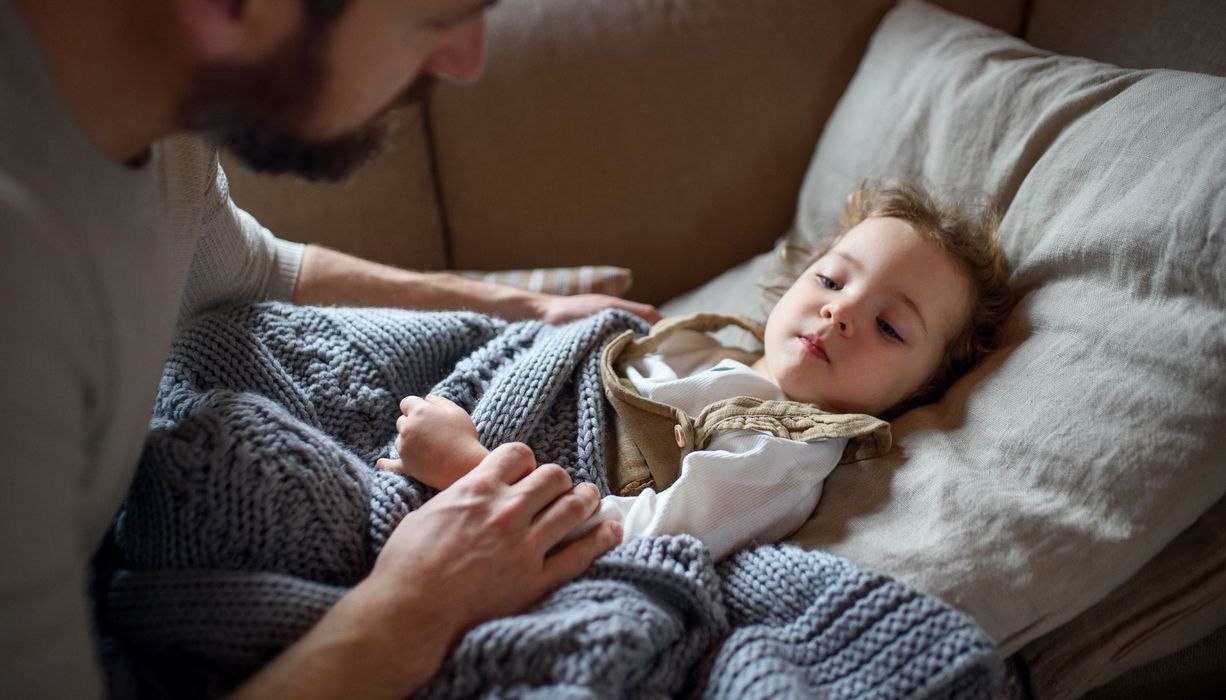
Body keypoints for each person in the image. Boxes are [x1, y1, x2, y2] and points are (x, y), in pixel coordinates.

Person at [0, 0, 662, 697]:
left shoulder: (160, 117)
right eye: (438, 18)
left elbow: (259, 272)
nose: (466, 62)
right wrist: (417, 605)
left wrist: (527, 306)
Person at [378, 179, 1014, 561]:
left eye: (889, 326)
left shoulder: (784, 451)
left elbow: (644, 540)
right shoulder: (708, 345)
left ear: (920, 391)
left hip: (487, 482)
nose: (840, 310)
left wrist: (469, 468)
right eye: (831, 277)